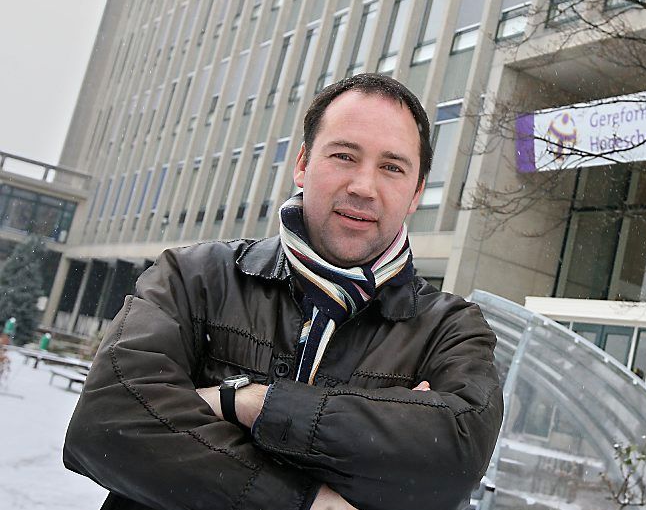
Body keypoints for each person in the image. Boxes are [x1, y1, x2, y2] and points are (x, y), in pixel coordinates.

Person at [64, 74, 504, 510]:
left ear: (416, 192)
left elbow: (454, 464)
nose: (363, 187)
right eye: (344, 156)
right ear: (302, 165)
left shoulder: (449, 328)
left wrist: (250, 404)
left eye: (392, 167)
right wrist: (308, 501)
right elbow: (108, 425)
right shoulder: (196, 277)